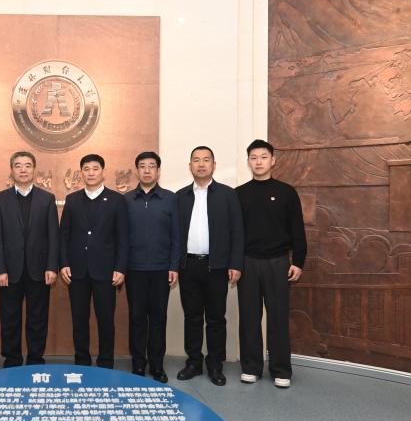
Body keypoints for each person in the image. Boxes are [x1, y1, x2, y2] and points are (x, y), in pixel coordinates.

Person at [236, 139, 307, 388]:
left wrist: (298, 261)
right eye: (254, 157)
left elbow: (297, 229)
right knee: (249, 317)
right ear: (248, 162)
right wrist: (234, 263)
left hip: (278, 263)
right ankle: (251, 367)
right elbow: (234, 233)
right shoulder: (239, 194)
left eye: (263, 157)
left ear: (272, 160)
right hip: (247, 263)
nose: (259, 162)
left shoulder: (287, 192)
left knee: (278, 317)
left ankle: (281, 369)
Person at [175, 146, 244, 386]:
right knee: (192, 317)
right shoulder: (180, 196)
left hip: (217, 266)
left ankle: (215, 364)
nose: (201, 164)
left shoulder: (227, 195)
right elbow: (174, 235)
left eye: (206, 160)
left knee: (216, 318)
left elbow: (237, 231)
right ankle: (193, 362)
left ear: (214, 165)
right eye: (196, 160)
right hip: (188, 265)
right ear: (190, 166)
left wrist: (235, 263)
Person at [0, 151, 59, 367]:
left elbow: (53, 236)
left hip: (40, 270)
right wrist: (0, 269)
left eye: (27, 165)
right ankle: (12, 358)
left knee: (38, 318)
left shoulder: (47, 198)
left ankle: (36, 358)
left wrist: (52, 266)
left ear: (34, 170)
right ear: (11, 170)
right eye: (18, 165)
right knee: (10, 317)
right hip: (9, 271)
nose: (23, 170)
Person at [60, 154, 128, 369]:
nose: (91, 173)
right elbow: (64, 235)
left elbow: (123, 238)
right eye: (86, 169)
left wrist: (120, 267)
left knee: (106, 320)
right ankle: (82, 361)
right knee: (79, 320)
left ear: (103, 172)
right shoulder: (72, 200)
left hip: (106, 271)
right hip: (77, 271)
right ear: (81, 173)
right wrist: (64, 263)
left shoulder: (117, 200)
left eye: (95, 168)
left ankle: (106, 361)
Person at [125, 151, 180, 382]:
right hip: (134, 269)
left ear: (158, 171)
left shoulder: (170, 199)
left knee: (158, 318)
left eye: (151, 166)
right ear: (137, 170)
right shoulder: (126, 200)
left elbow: (177, 236)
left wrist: (174, 266)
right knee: (137, 317)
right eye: (142, 166)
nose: (147, 170)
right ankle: (138, 364)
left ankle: (157, 365)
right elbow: (120, 237)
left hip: (161, 269)